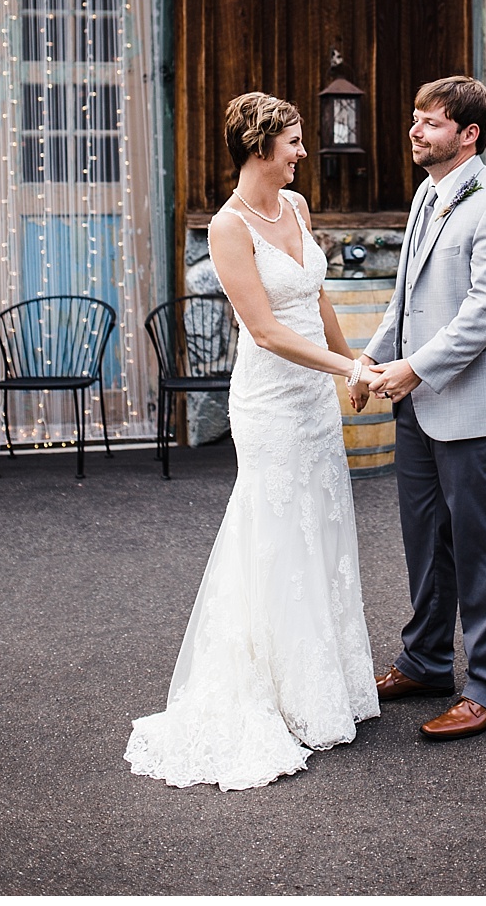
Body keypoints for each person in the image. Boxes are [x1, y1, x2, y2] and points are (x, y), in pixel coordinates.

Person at [124, 92, 379, 791]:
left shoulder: (295, 210)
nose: (303, 152)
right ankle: (267, 689)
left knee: (321, 525)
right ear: (262, 146)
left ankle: (326, 683)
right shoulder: (230, 228)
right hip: (269, 400)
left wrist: (347, 361)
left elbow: (317, 296)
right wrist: (347, 368)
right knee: (274, 530)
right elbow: (265, 330)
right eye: (294, 141)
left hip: (314, 399)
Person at [363, 75, 486, 740]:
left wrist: (412, 369)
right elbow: (404, 298)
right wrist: (372, 359)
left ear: (468, 135)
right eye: (415, 117)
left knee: (481, 546)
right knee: (425, 541)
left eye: (431, 122)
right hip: (419, 404)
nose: (415, 129)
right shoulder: (425, 195)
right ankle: (426, 661)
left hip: (478, 408)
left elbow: (484, 314)